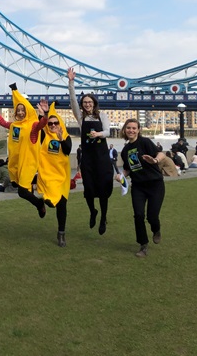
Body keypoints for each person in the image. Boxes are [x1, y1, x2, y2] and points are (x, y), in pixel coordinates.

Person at [68, 67, 113, 235]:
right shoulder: (81, 118)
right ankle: (93, 212)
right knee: (88, 190)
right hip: (88, 158)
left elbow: (108, 132)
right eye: (85, 102)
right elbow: (72, 100)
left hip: (101, 157)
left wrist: (98, 133)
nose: (87, 104)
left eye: (90, 102)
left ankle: (103, 217)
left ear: (94, 103)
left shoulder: (103, 116)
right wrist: (71, 83)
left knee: (103, 190)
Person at [0, 85, 43, 218]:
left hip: (27, 163)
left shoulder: (32, 125)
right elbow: (3, 122)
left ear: (27, 111)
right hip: (15, 163)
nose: (20, 112)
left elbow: (41, 125)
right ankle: (39, 196)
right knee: (14, 183)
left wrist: (44, 115)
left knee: (22, 192)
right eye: (18, 110)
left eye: (23, 110)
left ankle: (39, 204)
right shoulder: (14, 126)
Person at [120, 119, 166, 258]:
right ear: (124, 130)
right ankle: (143, 245)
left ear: (139, 130)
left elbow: (161, 154)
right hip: (138, 186)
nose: (131, 130)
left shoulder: (145, 142)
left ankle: (156, 229)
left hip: (155, 184)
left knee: (152, 216)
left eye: (134, 128)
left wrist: (155, 160)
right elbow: (128, 169)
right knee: (139, 215)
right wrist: (121, 175)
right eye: (128, 128)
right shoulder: (125, 150)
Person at [33, 102, 72, 247]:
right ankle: (43, 203)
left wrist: (61, 138)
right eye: (50, 124)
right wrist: (44, 114)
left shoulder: (66, 137)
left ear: (60, 123)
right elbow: (40, 125)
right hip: (48, 175)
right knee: (51, 202)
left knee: (62, 205)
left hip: (62, 176)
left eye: (56, 123)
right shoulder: (44, 135)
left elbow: (67, 150)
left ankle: (61, 233)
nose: (53, 125)